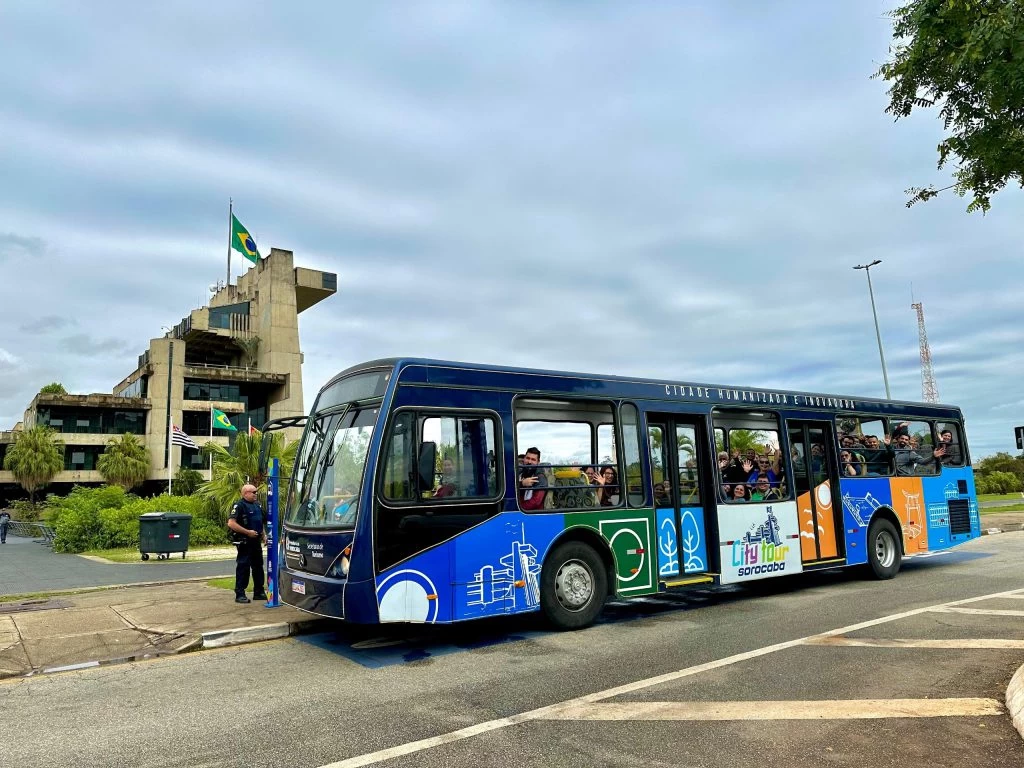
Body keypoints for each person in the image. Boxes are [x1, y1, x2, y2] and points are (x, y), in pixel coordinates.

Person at [227, 484, 266, 604]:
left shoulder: (257, 505)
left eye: (256, 492)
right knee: (243, 567)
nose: (256, 494)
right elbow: (231, 523)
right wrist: (247, 532)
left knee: (258, 566)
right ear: (245, 493)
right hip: (245, 542)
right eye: (253, 492)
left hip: (256, 542)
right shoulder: (239, 505)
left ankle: (259, 592)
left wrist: (264, 535)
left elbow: (260, 522)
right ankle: (240, 593)